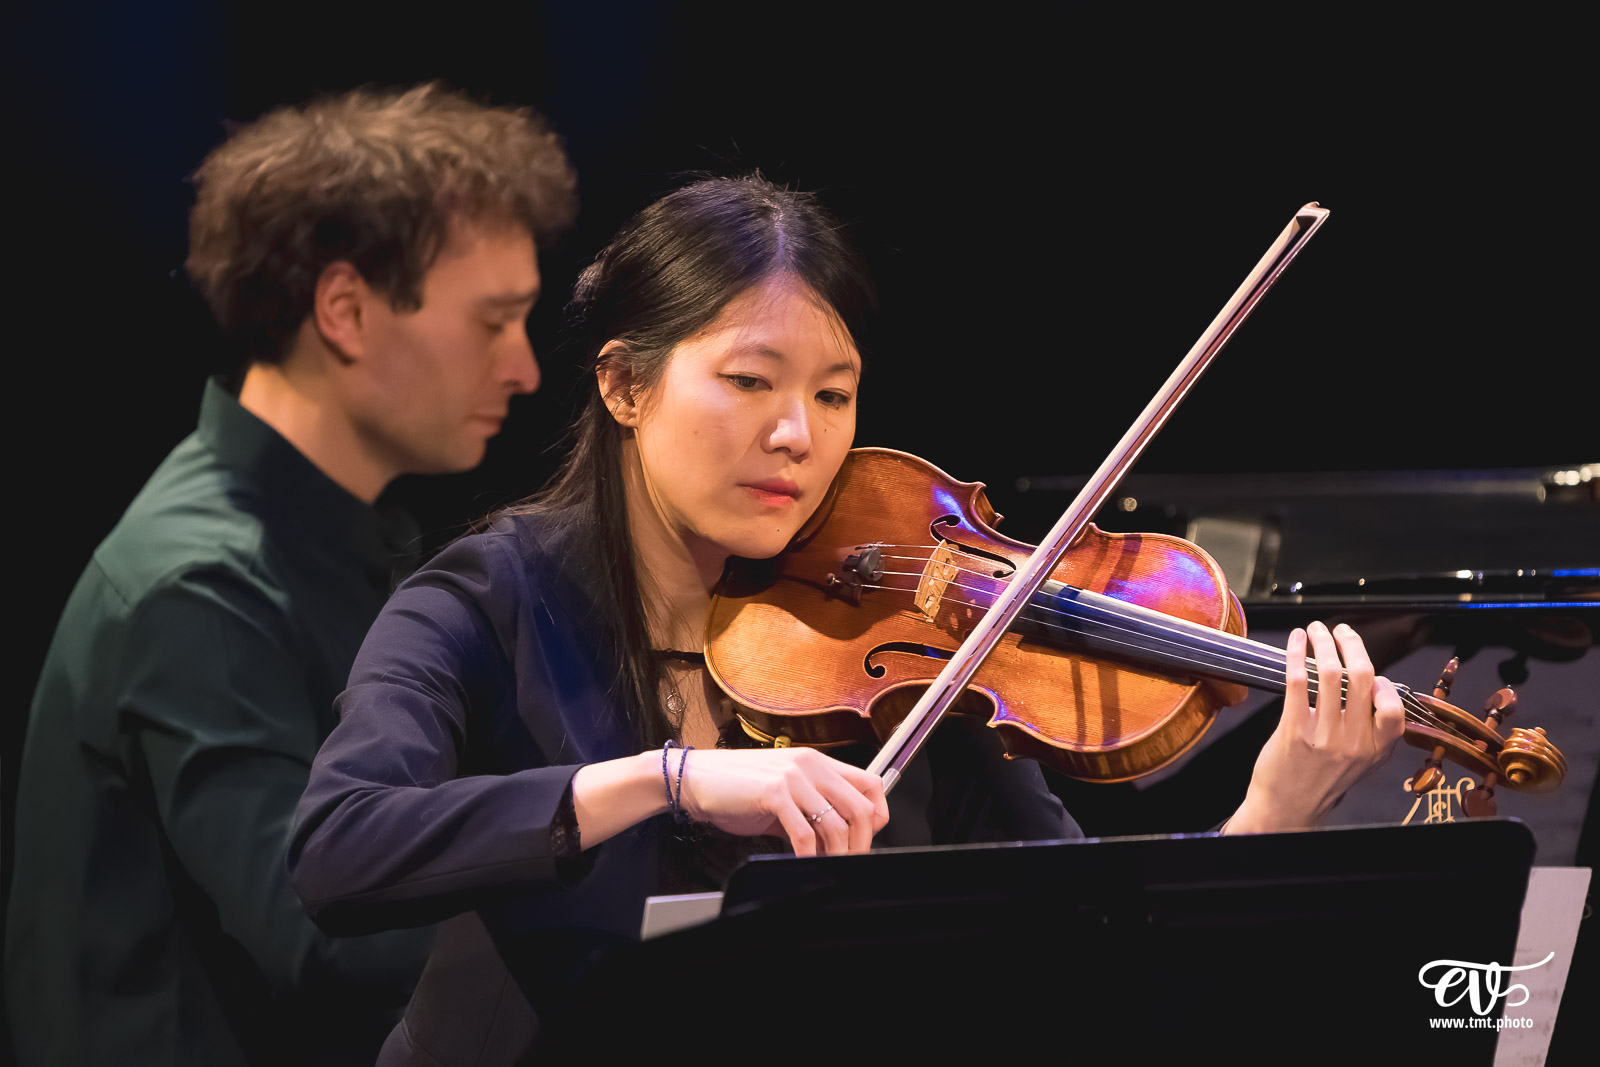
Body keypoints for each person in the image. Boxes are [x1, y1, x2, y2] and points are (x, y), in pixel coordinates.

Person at [289, 175, 1404, 1062]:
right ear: (625, 388)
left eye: (831, 393)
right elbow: (339, 848)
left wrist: (1272, 814)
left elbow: (1093, 952)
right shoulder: (488, 596)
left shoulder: (908, 633)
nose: (796, 435)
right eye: (749, 381)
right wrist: (664, 776)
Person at [6, 83, 577, 1066]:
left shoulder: (348, 538)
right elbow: (330, 931)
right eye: (494, 322)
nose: (525, 368)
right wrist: (609, 846)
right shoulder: (199, 586)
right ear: (346, 310)